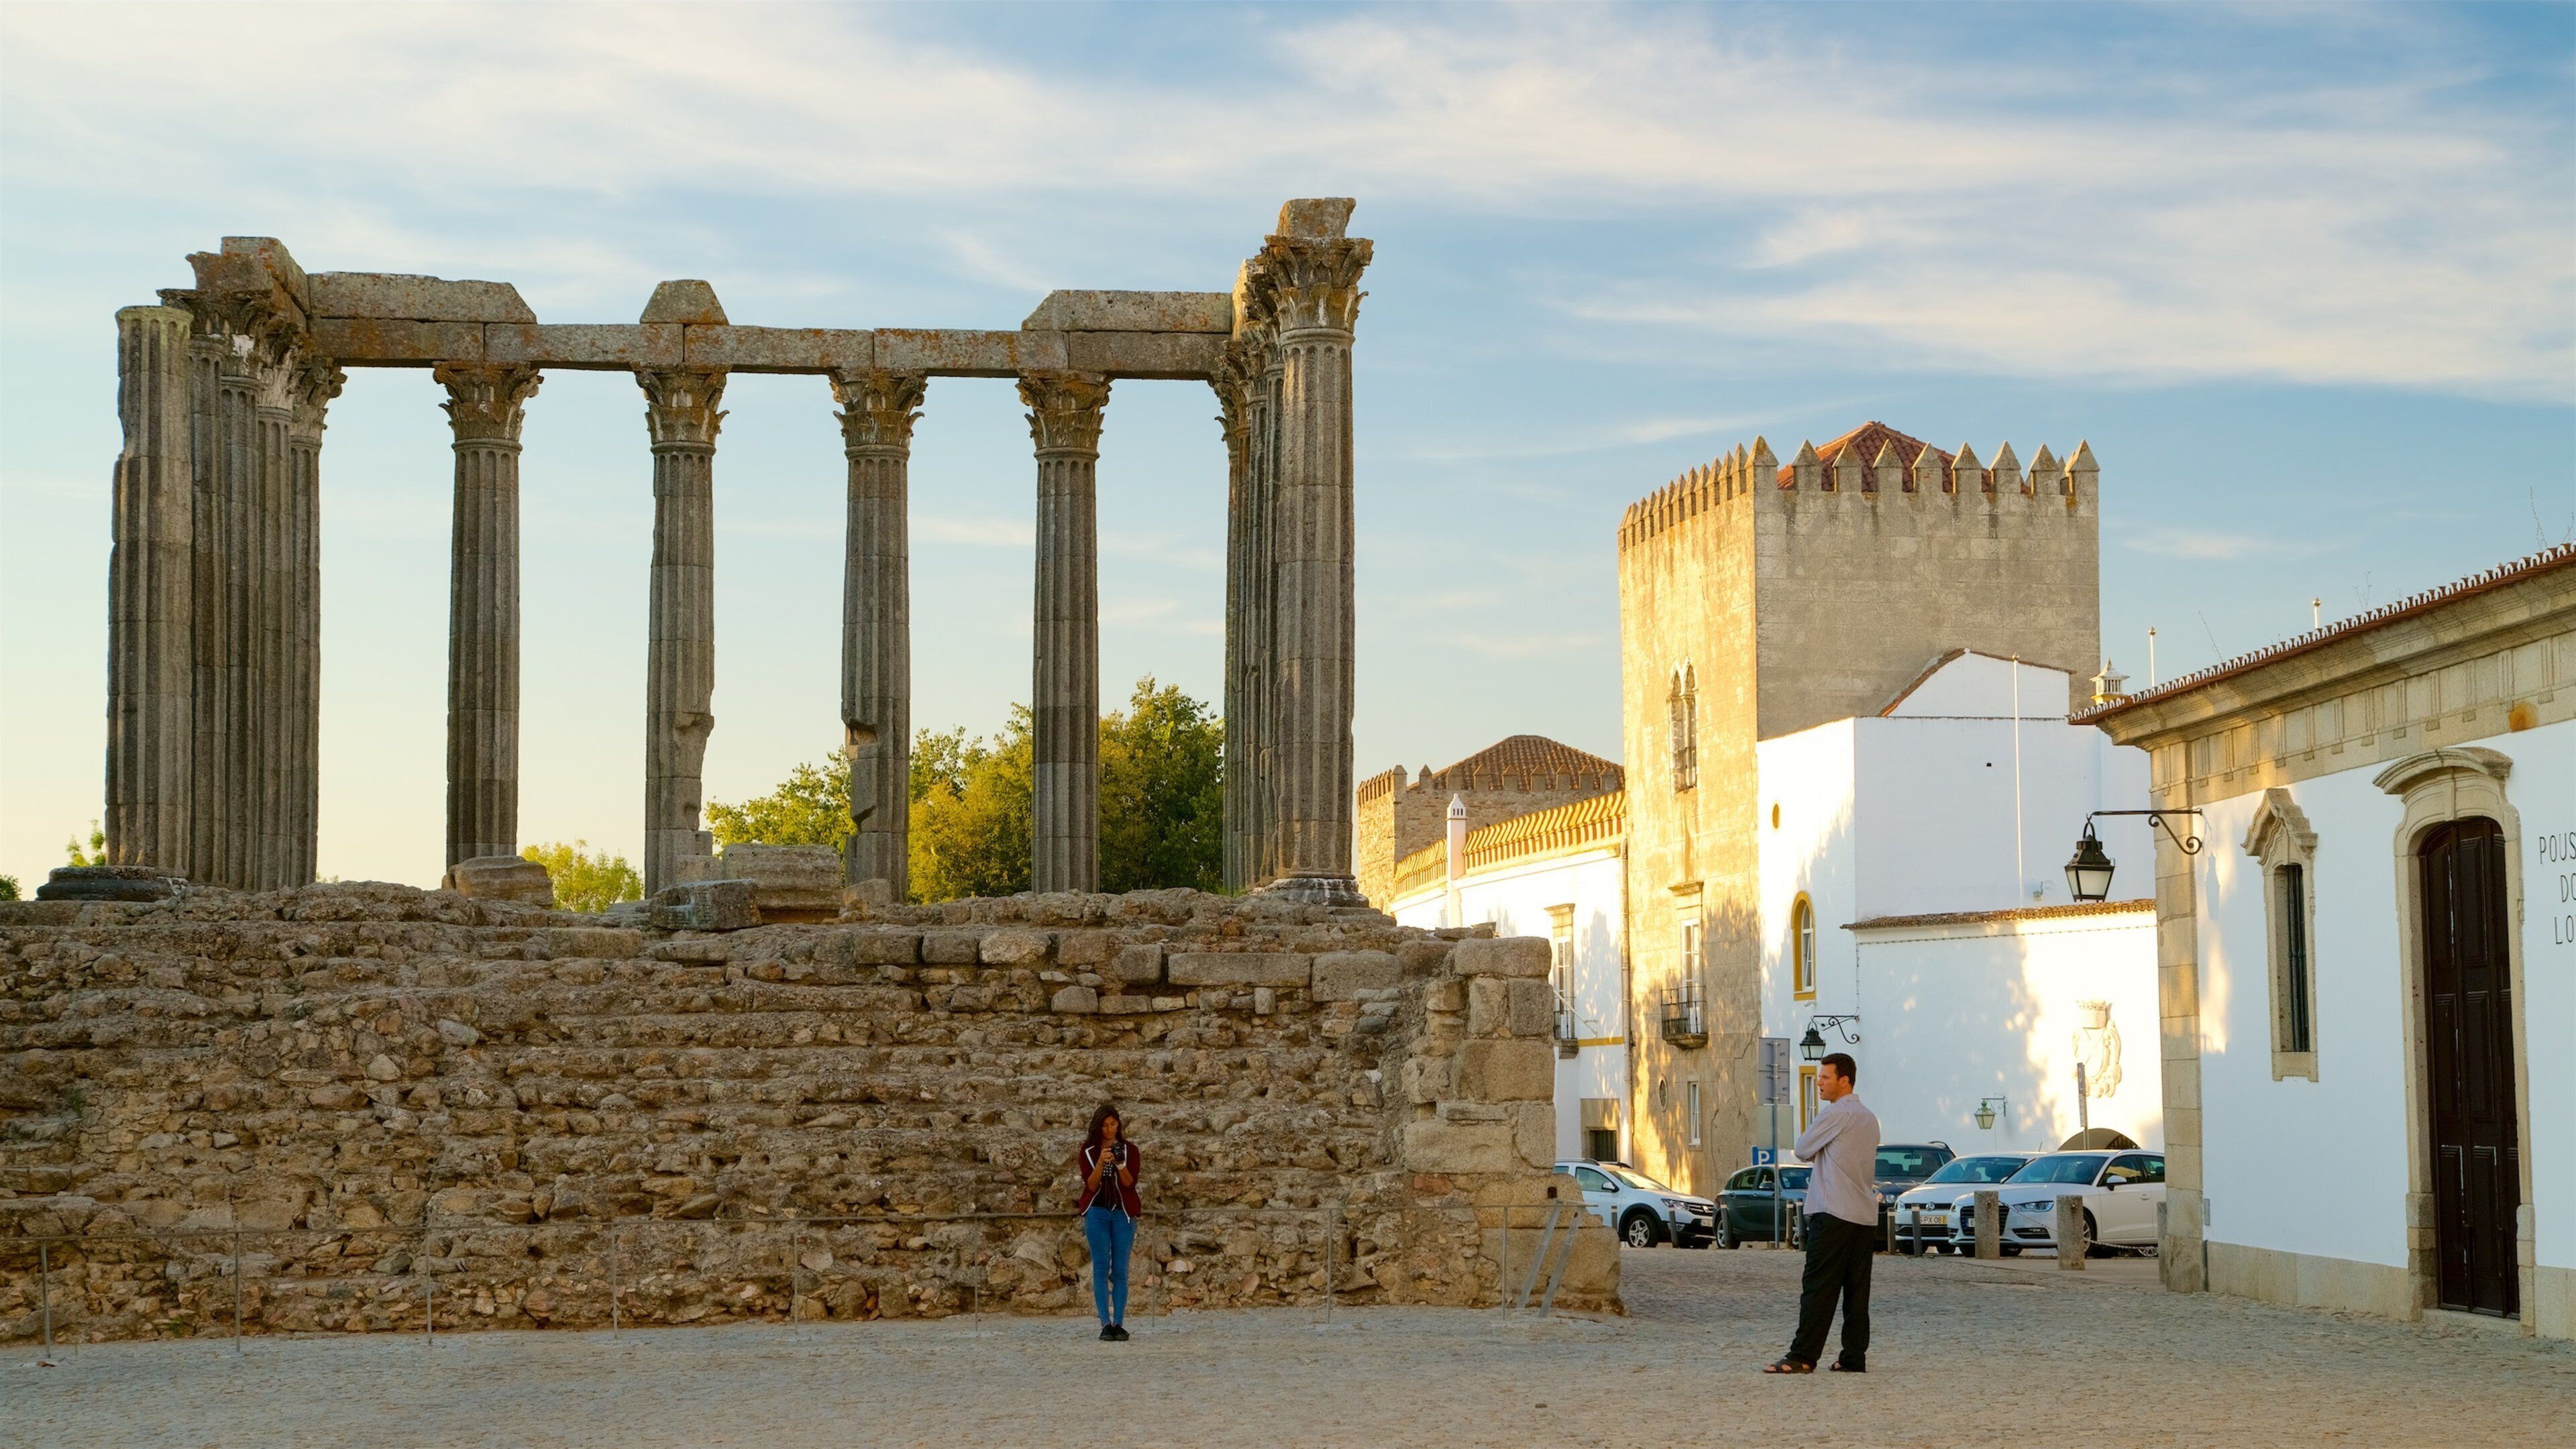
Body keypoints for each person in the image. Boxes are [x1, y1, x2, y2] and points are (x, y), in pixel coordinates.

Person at [1764, 1051, 1881, 1374]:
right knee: (1857, 1292)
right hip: (1863, 1214)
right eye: (1819, 1077)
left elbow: (1802, 1149)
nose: (1819, 1083)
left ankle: (1803, 1355)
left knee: (1818, 1287)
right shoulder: (1870, 1118)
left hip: (1833, 1211)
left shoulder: (1835, 1114)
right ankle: (1853, 1357)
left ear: (1845, 1080)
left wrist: (1822, 1151)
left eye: (1826, 1077)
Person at [1075, 1102, 1142, 1341]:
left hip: (1123, 1214)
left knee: (1121, 1270)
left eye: (1113, 1124)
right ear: (1098, 1126)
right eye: (1104, 1125)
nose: (1109, 1129)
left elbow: (1129, 1184)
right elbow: (1091, 1185)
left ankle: (1119, 1323)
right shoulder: (1088, 1151)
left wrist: (1120, 1163)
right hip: (1097, 1213)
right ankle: (1105, 1323)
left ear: (1119, 1124)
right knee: (1101, 1268)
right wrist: (1101, 1163)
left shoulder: (1130, 1150)